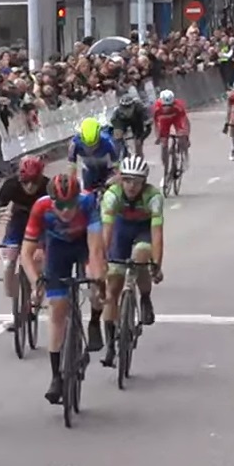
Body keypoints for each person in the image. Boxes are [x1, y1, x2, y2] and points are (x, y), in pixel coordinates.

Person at [21, 173, 106, 404]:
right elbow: (26, 254)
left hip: (83, 245)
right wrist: (35, 282)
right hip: (57, 248)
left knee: (95, 282)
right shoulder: (41, 207)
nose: (66, 211)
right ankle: (56, 376)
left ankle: (95, 321)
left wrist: (97, 282)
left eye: (71, 204)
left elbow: (96, 251)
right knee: (57, 308)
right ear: (52, 200)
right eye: (61, 205)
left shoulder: (88, 203)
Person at [98, 156, 163, 368]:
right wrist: (102, 261)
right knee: (112, 289)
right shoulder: (112, 195)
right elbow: (106, 233)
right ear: (120, 180)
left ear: (144, 183)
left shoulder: (153, 197)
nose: (131, 186)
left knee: (142, 257)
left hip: (143, 231)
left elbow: (157, 234)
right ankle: (110, 346)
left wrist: (157, 265)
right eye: (127, 180)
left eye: (137, 181)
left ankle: (144, 297)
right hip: (121, 230)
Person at [0, 155, 49, 332]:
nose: (29, 187)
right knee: (9, 263)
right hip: (19, 222)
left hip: (41, 225)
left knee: (39, 264)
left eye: (34, 182)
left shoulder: (46, 187)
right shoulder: (10, 186)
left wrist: (43, 246)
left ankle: (33, 303)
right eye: (25, 182)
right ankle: (17, 305)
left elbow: (54, 220)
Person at [68, 117, 120, 194]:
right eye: (87, 146)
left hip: (107, 171)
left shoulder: (109, 143)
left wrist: (113, 181)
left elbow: (118, 170)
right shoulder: (74, 144)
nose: (90, 149)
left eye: (94, 145)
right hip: (89, 171)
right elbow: (72, 170)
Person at [152, 89, 190, 177]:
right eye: (165, 105)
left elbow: (185, 122)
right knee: (163, 144)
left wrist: (186, 136)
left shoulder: (178, 106)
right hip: (164, 121)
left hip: (177, 119)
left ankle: (185, 156)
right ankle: (165, 165)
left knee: (181, 135)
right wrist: (158, 136)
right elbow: (156, 123)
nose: (167, 107)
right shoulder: (156, 108)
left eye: (169, 105)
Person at [109, 93, 150, 158]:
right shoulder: (117, 114)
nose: (126, 111)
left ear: (133, 105)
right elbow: (114, 130)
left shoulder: (140, 109)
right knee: (118, 138)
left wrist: (141, 138)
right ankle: (125, 154)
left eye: (129, 108)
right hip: (122, 121)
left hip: (136, 121)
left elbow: (148, 128)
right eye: (124, 108)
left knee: (138, 143)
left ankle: (139, 158)